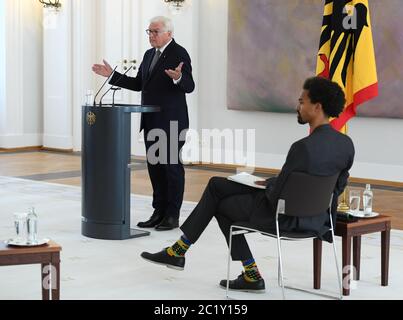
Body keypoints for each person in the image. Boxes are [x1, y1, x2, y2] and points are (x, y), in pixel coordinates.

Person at [140, 76, 355, 293]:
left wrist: (269, 186)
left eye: (302, 102)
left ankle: (186, 253)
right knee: (217, 185)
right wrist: (273, 183)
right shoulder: (346, 145)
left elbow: (276, 197)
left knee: (221, 205)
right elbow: (335, 188)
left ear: (317, 107)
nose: (298, 107)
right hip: (317, 218)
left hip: (285, 218)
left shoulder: (302, 147)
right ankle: (183, 253)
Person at [92, 16, 195, 231]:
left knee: (171, 169)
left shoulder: (179, 53)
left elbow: (189, 85)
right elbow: (139, 84)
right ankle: (158, 212)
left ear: (169, 33)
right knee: (155, 168)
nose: (151, 35)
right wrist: (112, 75)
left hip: (171, 121)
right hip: (150, 120)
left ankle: (172, 215)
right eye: (148, 31)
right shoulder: (149, 55)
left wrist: (178, 78)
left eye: (155, 31)